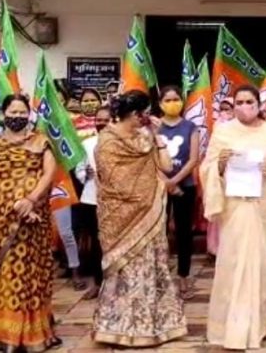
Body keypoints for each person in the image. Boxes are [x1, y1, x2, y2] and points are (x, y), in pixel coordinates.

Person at [201, 85, 266, 350]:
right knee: (233, 264)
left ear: (258, 104)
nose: (244, 106)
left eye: (249, 101)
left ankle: (262, 323)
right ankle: (230, 326)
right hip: (236, 208)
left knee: (264, 265)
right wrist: (220, 163)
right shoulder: (223, 132)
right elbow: (207, 169)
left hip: (265, 206)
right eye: (239, 102)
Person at [92, 90, 187, 347]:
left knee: (150, 268)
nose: (148, 118)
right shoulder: (107, 142)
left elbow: (167, 167)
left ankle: (151, 326)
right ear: (135, 114)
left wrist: (157, 137)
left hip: (149, 216)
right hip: (120, 218)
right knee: (124, 272)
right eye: (145, 114)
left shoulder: (146, 137)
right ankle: (117, 328)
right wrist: (141, 196)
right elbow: (115, 182)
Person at [0, 93, 61, 352]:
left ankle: (37, 333)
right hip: (5, 224)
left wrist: (31, 200)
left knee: (34, 275)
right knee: (8, 274)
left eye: (22, 112)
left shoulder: (40, 141)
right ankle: (6, 336)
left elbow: (49, 173)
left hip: (35, 222)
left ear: (29, 115)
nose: (17, 117)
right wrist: (17, 206)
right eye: (12, 112)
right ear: (3, 115)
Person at [157, 86, 200, 300]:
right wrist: (166, 182)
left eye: (176, 99)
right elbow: (150, 159)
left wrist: (175, 181)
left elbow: (194, 159)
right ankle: (160, 278)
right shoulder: (154, 127)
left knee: (184, 233)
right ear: (160, 104)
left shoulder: (191, 127)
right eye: (168, 100)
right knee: (159, 233)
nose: (172, 103)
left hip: (186, 186)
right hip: (159, 187)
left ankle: (183, 276)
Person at [73, 105, 112, 300]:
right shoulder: (87, 144)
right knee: (95, 243)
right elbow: (79, 169)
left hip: (114, 200)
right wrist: (85, 173)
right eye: (99, 120)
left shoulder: (121, 143)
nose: (102, 123)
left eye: (106, 120)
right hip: (91, 198)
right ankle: (97, 283)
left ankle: (114, 284)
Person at [205, 97, 234, 260]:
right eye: (221, 109)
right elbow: (212, 153)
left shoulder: (242, 128)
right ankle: (215, 248)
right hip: (219, 175)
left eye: (228, 109)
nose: (224, 112)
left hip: (237, 176)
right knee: (218, 210)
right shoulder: (218, 127)